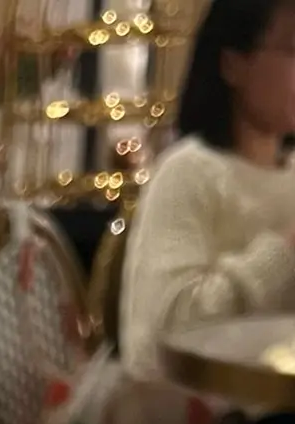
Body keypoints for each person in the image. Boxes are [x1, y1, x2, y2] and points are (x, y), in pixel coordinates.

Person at [122, 0, 295, 381]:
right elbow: (158, 337)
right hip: (212, 411)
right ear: (233, 64)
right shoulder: (189, 173)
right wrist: (284, 254)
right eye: (292, 49)